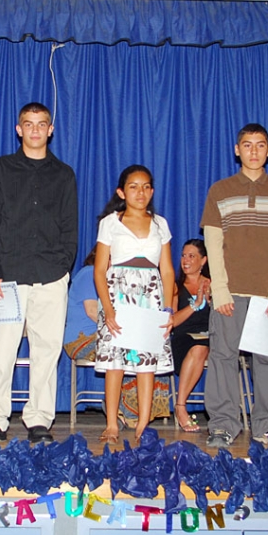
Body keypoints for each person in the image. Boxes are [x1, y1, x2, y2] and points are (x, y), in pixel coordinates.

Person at [0, 102, 78, 444]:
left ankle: (39, 420)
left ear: (51, 129)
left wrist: (62, 266)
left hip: (51, 275)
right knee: (0, 352)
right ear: (18, 129)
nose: (35, 130)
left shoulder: (64, 174)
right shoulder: (1, 169)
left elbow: (69, 228)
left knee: (46, 351)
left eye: (41, 124)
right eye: (28, 124)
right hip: (6, 277)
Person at [200, 123, 268, 448]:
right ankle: (223, 424)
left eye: (260, 145)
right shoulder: (220, 189)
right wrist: (219, 289)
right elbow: (213, 244)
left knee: (267, 360)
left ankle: (267, 425)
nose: (254, 151)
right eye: (247, 145)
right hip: (230, 292)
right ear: (237, 149)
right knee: (222, 356)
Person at [93, 165, 174, 444]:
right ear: (121, 192)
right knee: (115, 363)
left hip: (150, 299)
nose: (140, 192)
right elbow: (100, 269)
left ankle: (142, 424)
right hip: (117, 298)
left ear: (151, 191)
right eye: (133, 186)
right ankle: (112, 424)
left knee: (146, 364)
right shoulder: (110, 223)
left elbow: (166, 270)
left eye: (146, 186)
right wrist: (109, 309)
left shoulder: (161, 224)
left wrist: (167, 309)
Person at [170, 239, 211, 432]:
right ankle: (180, 407)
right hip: (183, 337)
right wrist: (196, 304)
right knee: (199, 347)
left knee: (208, 345)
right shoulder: (176, 286)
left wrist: (212, 302)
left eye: (191, 256)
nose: (185, 260)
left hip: (212, 336)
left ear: (203, 261)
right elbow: (173, 321)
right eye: (183, 255)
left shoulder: (214, 284)